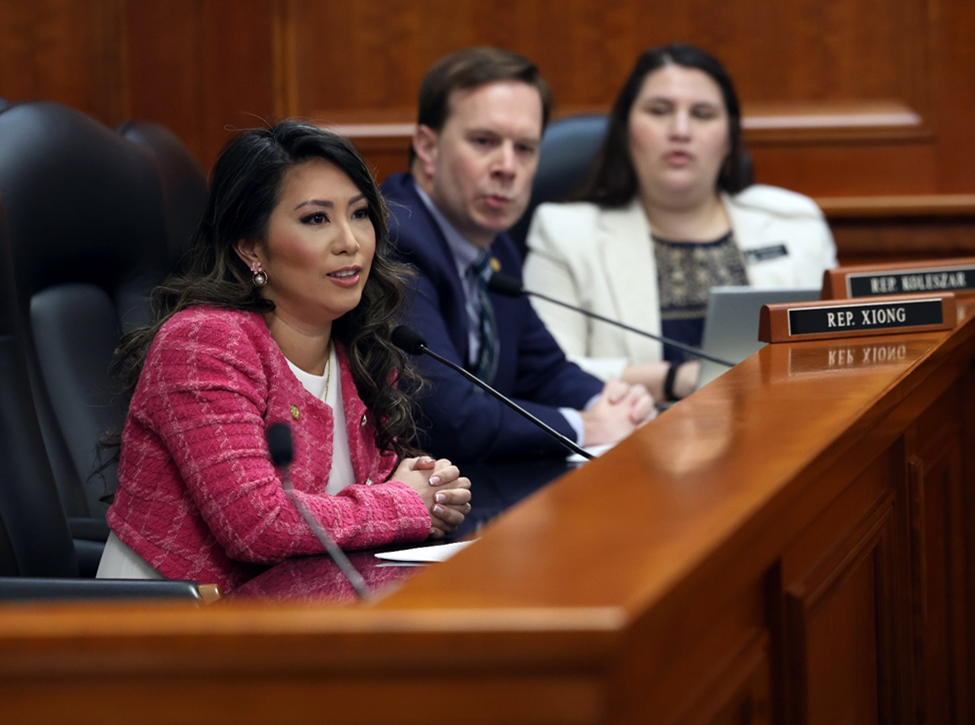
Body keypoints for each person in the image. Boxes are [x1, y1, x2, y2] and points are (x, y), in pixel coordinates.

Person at [97, 121, 472, 593]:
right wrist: (405, 504)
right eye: (316, 219)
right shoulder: (202, 343)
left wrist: (430, 492)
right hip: (170, 630)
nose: (349, 241)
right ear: (251, 247)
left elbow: (376, 495)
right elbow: (260, 525)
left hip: (298, 617)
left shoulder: (357, 350)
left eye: (359, 214)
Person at [380, 47, 654, 462]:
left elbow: (542, 370)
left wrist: (616, 402)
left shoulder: (494, 244)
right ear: (427, 147)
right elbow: (450, 418)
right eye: (484, 141)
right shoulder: (396, 242)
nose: (507, 166)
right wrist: (589, 426)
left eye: (524, 148)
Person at [524, 43, 838, 402]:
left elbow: (833, 352)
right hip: (635, 441)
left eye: (703, 114)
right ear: (626, 130)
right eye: (659, 111)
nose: (681, 130)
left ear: (729, 137)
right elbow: (547, 373)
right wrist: (676, 379)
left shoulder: (795, 224)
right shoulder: (565, 233)